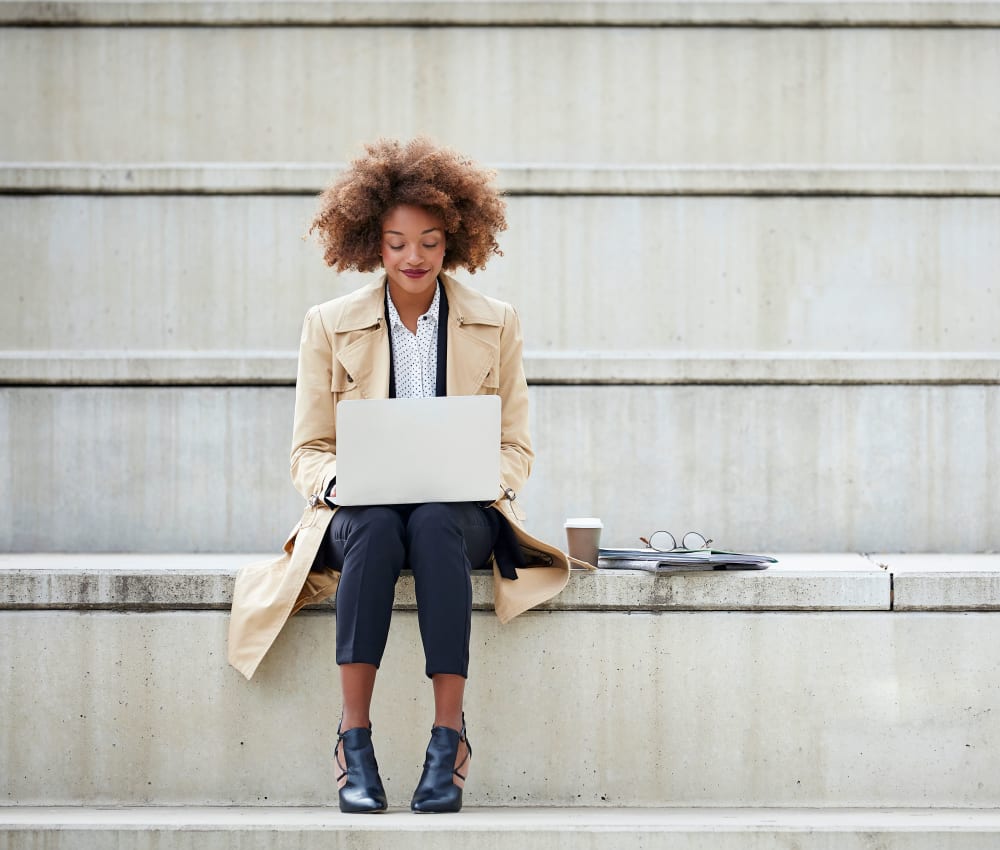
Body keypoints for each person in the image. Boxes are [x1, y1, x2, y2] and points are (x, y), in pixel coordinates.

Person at [227, 137, 585, 814]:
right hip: (360, 512)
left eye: (428, 241)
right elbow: (308, 449)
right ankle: (352, 739)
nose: (413, 258)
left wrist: (486, 475)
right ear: (370, 243)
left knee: (432, 521)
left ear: (455, 238)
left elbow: (517, 447)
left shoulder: (496, 322)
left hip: (461, 511)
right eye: (395, 243)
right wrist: (342, 480)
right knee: (376, 527)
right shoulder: (329, 326)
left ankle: (448, 738)